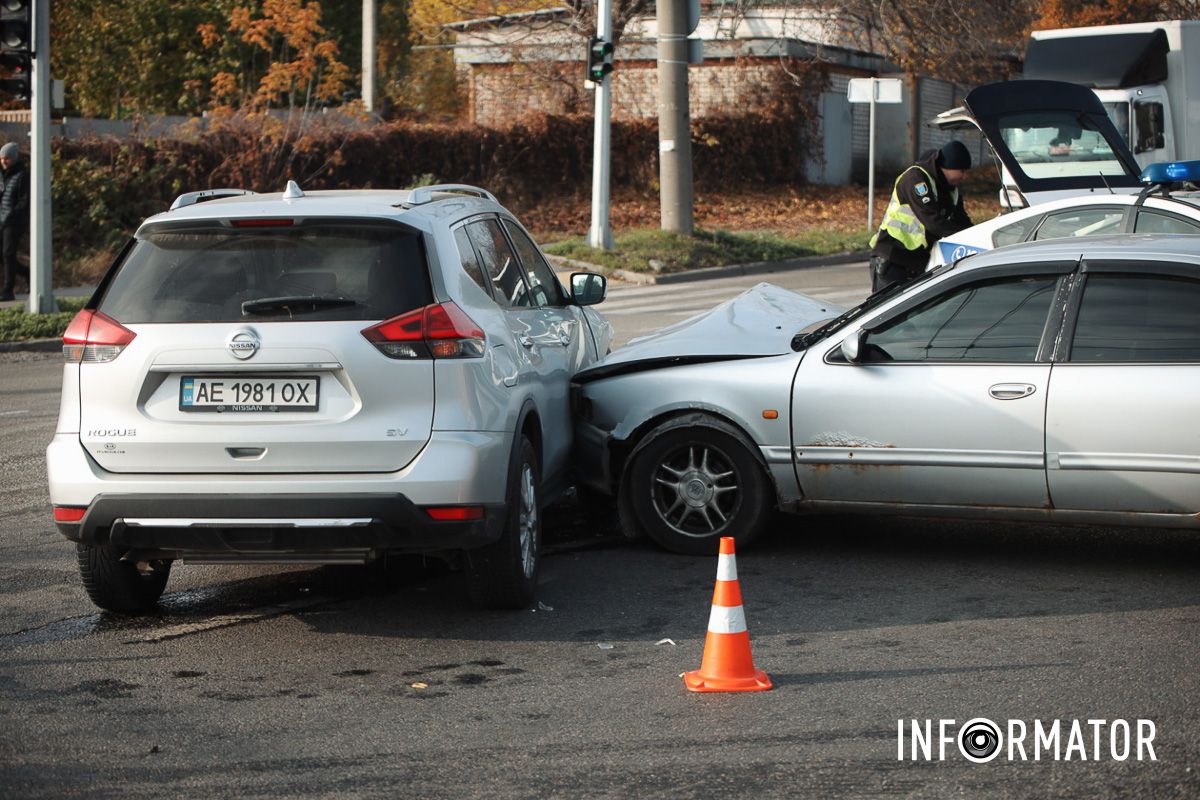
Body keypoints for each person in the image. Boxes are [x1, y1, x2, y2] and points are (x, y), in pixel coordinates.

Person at [868, 139, 973, 294]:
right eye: (962, 170)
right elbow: (933, 222)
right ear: (948, 166)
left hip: (917, 264)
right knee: (887, 315)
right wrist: (967, 239)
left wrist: (980, 235)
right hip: (893, 259)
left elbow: (963, 222)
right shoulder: (916, 179)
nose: (964, 176)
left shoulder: (951, 191)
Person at [0, 141, 29, 301]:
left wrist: (12, 213)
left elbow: (24, 201)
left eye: (7, 158)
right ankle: (28, 274)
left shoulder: (22, 175)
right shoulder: (4, 174)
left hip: (14, 222)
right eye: (2, 158)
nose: (4, 161)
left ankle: (8, 291)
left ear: (14, 158)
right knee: (3, 255)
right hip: (2, 220)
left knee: (8, 254)